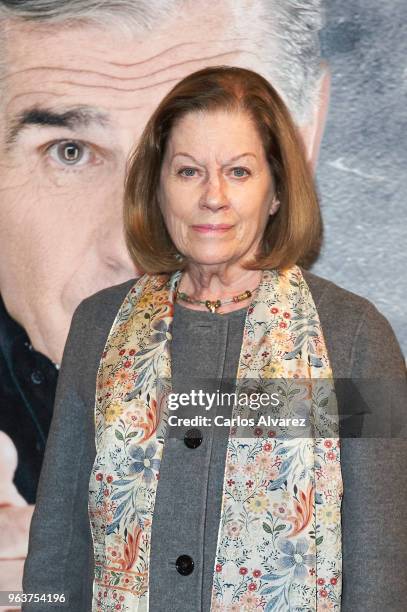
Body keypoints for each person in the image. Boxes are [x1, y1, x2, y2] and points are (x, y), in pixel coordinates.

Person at [23, 66, 407, 612]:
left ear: (276, 192)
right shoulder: (99, 328)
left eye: (239, 172)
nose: (213, 197)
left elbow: (382, 572)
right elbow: (57, 547)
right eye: (188, 172)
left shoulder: (352, 338)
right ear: (158, 188)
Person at [0, 0, 329, 593]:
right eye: (70, 151)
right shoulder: (98, 330)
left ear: (299, 150)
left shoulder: (352, 345)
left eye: (226, 166)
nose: (134, 247)